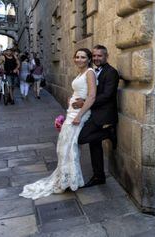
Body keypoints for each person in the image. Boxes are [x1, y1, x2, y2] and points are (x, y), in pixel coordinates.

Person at [19, 48, 97, 199]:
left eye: (83, 57)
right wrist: (71, 99)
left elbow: (92, 96)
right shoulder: (81, 73)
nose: (79, 59)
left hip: (79, 114)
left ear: (88, 59)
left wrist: (79, 115)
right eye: (77, 57)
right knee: (63, 146)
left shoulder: (90, 73)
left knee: (69, 146)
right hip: (72, 112)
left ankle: (70, 180)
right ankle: (66, 178)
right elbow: (80, 92)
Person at [72, 45, 119, 188]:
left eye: (100, 56)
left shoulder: (111, 72)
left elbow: (107, 95)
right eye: (94, 56)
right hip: (92, 112)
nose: (96, 58)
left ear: (106, 56)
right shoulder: (91, 71)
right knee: (94, 145)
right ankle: (99, 176)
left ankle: (107, 133)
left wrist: (84, 103)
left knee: (80, 138)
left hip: (104, 114)